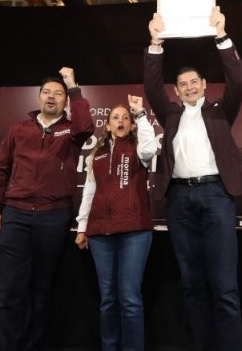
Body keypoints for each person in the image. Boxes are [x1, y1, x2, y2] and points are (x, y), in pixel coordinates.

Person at [144, 6, 242, 351]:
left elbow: (238, 81)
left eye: (194, 82)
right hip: (179, 201)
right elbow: (151, 86)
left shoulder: (221, 111)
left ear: (205, 85)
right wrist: (155, 44)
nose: (189, 87)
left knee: (224, 286)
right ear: (177, 91)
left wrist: (221, 36)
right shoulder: (170, 114)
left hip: (216, 197)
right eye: (183, 84)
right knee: (192, 285)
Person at [0, 67, 94, 351]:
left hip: (54, 216)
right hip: (15, 215)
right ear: (39, 97)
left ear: (65, 100)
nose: (51, 97)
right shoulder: (19, 129)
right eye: (47, 92)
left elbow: (86, 127)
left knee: (42, 292)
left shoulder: (71, 130)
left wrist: (73, 87)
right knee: (10, 291)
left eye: (58, 93)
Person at [75, 95, 157, 351]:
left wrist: (140, 115)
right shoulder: (96, 154)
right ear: (108, 125)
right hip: (100, 233)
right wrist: (82, 227)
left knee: (130, 298)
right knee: (108, 300)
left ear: (131, 125)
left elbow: (150, 149)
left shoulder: (139, 149)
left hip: (135, 231)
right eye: (115, 118)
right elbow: (89, 192)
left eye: (125, 118)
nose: (120, 121)